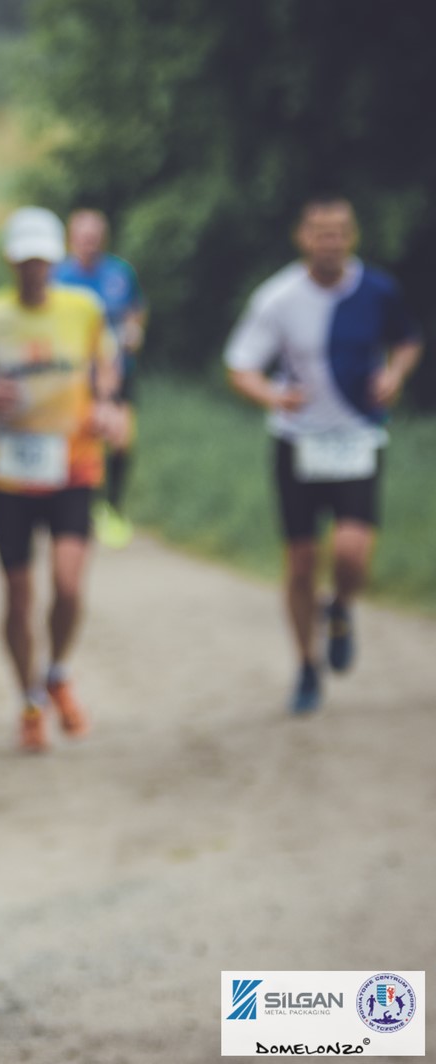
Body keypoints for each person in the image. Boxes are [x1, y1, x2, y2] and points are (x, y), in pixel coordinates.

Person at [0, 206, 127, 753]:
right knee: (19, 597)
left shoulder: (84, 310)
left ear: (55, 261)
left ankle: (58, 672)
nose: (33, 271)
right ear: (10, 261)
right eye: (25, 261)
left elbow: (106, 365)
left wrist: (106, 404)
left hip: (73, 465)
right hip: (9, 476)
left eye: (42, 261)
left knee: (68, 585)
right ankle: (28, 701)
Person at [222, 196, 421, 715]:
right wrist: (272, 396)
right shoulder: (278, 297)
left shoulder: (378, 290)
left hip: (357, 437)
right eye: (320, 232)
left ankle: (340, 607)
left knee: (352, 553)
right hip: (298, 441)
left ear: (352, 236)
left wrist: (394, 374)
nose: (330, 242)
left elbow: (407, 341)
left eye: (339, 232)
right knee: (301, 562)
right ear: (302, 237)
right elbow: (241, 366)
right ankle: (306, 666)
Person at [53, 209, 147, 547]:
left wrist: (135, 332)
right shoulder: (58, 275)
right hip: (76, 377)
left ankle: (113, 507)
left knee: (121, 438)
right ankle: (76, 507)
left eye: (94, 237)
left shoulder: (120, 273)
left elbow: (136, 310)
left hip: (119, 370)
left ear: (103, 239)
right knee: (80, 439)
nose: (89, 243)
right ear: (71, 239)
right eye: (83, 237)